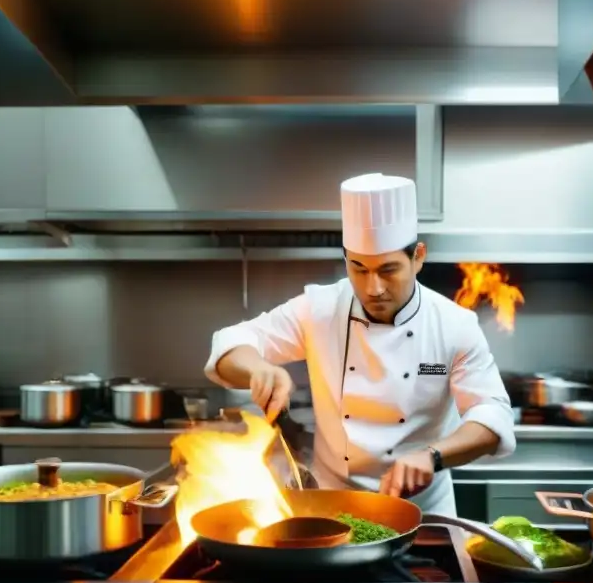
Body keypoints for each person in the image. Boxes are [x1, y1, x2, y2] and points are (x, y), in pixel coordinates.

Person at [204, 173, 515, 516]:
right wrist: (258, 368)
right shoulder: (320, 308)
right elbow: (233, 341)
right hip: (332, 509)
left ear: (418, 257)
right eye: (359, 268)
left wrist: (433, 455)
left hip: (424, 515)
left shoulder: (454, 324)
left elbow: (493, 415)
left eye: (388, 269)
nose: (373, 288)